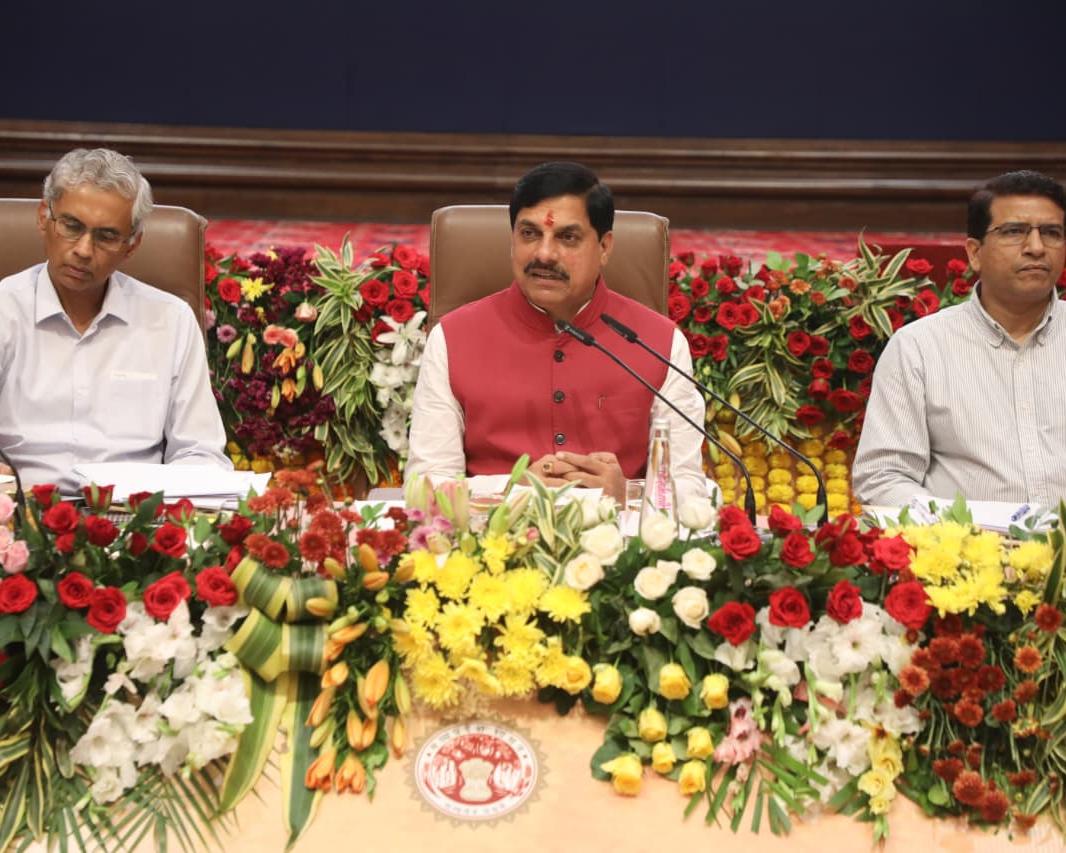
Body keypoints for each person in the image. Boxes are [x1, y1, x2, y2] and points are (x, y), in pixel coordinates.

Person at [406, 161, 708, 504]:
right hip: (493, 534)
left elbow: (687, 487)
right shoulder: (453, 338)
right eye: (529, 234)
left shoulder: (659, 343)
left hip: (621, 535)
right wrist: (512, 490)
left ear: (605, 247)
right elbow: (424, 486)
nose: (545, 254)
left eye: (567, 237)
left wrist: (628, 494)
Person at [0, 148, 231, 494]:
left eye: (106, 236)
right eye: (71, 226)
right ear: (43, 218)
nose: (83, 250)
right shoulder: (5, 309)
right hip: (20, 509)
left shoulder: (170, 321)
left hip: (135, 514)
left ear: (132, 245)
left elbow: (200, 451)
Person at [853, 170, 1066, 507]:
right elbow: (883, 477)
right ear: (974, 252)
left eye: (1052, 233)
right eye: (1014, 232)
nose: (1036, 248)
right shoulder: (919, 348)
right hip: (966, 539)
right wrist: (961, 527)